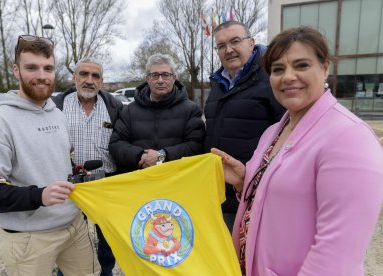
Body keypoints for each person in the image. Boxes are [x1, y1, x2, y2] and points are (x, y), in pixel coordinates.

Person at [211, 26, 383, 275]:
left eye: (301, 65)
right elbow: (282, 199)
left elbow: (335, 257)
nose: (288, 77)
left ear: (324, 68)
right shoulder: (274, 132)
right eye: (278, 69)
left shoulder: (349, 137)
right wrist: (244, 182)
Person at [0, 35, 100, 275]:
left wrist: (76, 172)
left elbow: (62, 161)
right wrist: (40, 195)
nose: (42, 75)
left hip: (73, 227)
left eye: (48, 68)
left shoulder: (57, 115)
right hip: (27, 238)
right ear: (16, 70)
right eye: (32, 67)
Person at [204, 21, 285, 232]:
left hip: (255, 193)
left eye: (235, 41)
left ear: (251, 42)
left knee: (250, 258)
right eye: (221, 46)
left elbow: (288, 135)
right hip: (219, 193)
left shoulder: (271, 80)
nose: (228, 50)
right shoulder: (217, 85)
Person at [53, 58, 122, 276]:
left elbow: (125, 141)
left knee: (108, 237)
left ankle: (107, 271)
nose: (89, 80)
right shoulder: (56, 107)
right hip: (71, 185)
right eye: (84, 74)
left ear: (102, 81)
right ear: (74, 77)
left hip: (106, 183)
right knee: (70, 237)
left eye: (96, 76)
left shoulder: (115, 107)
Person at [109, 53, 205, 171]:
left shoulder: (191, 110)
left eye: (165, 75)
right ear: (147, 79)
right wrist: (140, 156)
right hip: (140, 182)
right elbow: (116, 144)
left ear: (174, 78)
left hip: (176, 182)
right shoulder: (129, 110)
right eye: (155, 75)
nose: (160, 80)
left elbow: (196, 146)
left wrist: (163, 156)